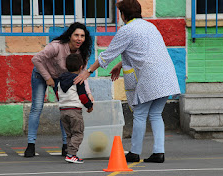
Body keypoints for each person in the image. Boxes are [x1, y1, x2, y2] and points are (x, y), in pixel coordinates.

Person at [74, 0, 181, 163]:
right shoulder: (150, 26)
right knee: (156, 114)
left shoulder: (127, 30)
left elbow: (107, 54)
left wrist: (88, 72)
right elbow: (142, 51)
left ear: (123, 15)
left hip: (150, 77)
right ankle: (159, 152)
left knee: (139, 113)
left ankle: (134, 152)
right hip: (167, 76)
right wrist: (120, 64)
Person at [24, 22, 94, 158]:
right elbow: (36, 59)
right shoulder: (56, 46)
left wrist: (88, 93)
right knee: (37, 107)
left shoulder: (82, 53)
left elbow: (82, 75)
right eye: (76, 35)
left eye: (82, 36)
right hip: (41, 74)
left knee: (66, 108)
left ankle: (65, 145)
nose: (79, 39)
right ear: (70, 36)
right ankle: (30, 145)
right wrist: (48, 78)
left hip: (60, 78)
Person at [57, 53, 93, 163]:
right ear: (81, 67)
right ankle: (71, 154)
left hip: (63, 110)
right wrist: (89, 105)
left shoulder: (60, 80)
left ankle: (70, 153)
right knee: (78, 133)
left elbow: (58, 95)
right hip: (74, 110)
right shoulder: (78, 80)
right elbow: (82, 96)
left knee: (69, 134)